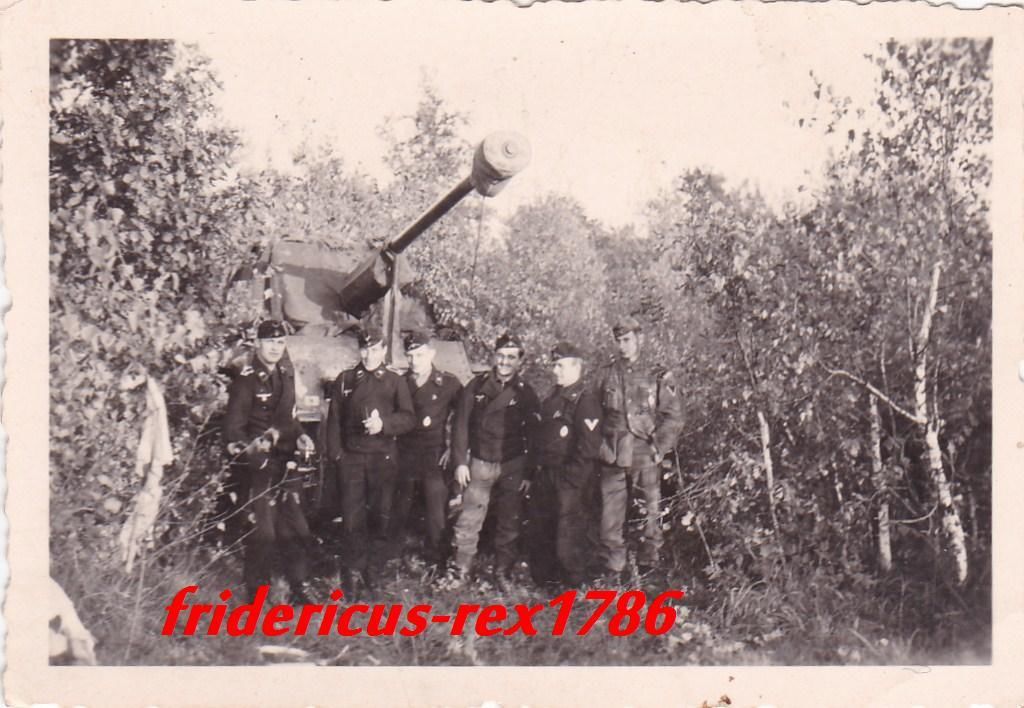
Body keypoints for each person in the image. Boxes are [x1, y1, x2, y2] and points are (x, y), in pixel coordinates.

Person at [223, 319, 316, 603]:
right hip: (259, 465)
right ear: (259, 344)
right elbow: (233, 431)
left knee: (296, 527)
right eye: (270, 342)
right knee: (262, 532)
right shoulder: (245, 381)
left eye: (280, 343)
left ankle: (298, 588)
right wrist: (252, 450)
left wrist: (301, 436)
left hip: (286, 462)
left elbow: (290, 417)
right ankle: (257, 594)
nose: (276, 348)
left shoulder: (286, 375)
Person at [325, 325, 415, 593]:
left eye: (374, 349)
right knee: (352, 518)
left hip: (382, 459)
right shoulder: (345, 380)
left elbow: (408, 417)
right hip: (352, 458)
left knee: (379, 516)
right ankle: (352, 573)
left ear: (383, 350)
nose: (369, 354)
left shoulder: (395, 381)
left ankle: (371, 572)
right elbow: (334, 421)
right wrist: (337, 456)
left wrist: (384, 425)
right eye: (364, 348)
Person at [594, 315, 684, 584]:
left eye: (628, 340)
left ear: (639, 339)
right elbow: (592, 414)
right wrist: (598, 445)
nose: (623, 346)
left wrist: (660, 448)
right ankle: (614, 569)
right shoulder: (606, 374)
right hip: (612, 453)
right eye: (619, 341)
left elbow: (674, 416)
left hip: (645, 452)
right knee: (610, 517)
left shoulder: (658, 374)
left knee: (650, 513)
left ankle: (648, 569)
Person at [447, 333, 540, 588]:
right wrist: (460, 462)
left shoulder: (525, 393)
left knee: (509, 521)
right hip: (480, 462)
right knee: (469, 519)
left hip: (512, 464)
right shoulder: (475, 387)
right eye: (501, 356)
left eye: (511, 357)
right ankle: (461, 570)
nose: (505, 362)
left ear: (520, 361)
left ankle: (502, 572)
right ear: (494, 356)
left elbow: (533, 436)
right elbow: (460, 426)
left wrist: (529, 474)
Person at [527, 341, 604, 588]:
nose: (555, 371)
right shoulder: (553, 397)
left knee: (569, 533)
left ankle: (574, 584)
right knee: (544, 527)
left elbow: (588, 446)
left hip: (570, 478)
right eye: (554, 366)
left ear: (576, 367)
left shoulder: (585, 400)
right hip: (547, 474)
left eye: (560, 366)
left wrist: (570, 479)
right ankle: (547, 582)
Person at [390, 329, 463, 568]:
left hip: (433, 455)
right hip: (404, 453)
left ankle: (436, 561)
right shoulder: (398, 382)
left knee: (435, 510)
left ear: (431, 354)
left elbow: (462, 417)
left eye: (420, 355)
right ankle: (392, 558)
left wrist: (452, 446)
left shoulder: (448, 383)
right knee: (398, 507)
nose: (414, 361)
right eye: (410, 356)